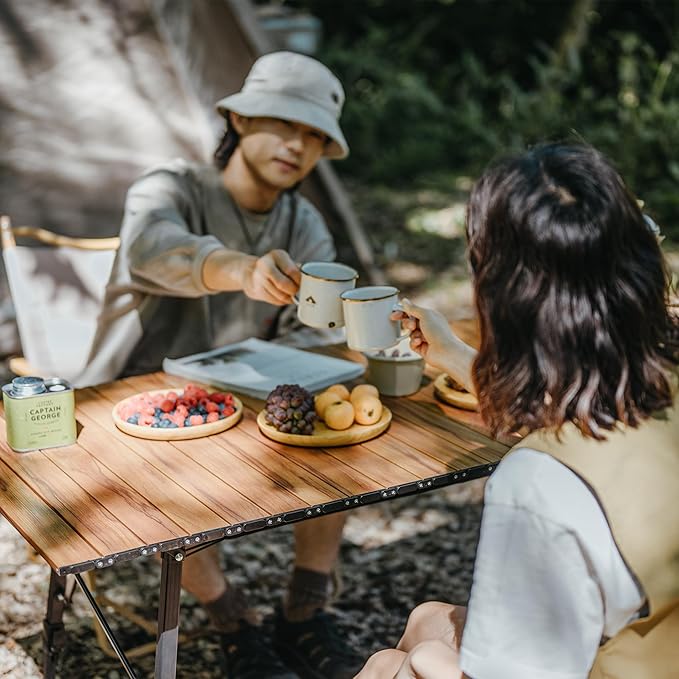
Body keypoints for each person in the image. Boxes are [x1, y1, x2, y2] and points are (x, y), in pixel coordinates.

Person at [81, 51, 363, 679]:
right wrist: (241, 270)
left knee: (338, 421)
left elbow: (314, 332)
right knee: (176, 467)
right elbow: (154, 250)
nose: (297, 145)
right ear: (238, 119)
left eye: (314, 135)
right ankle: (232, 620)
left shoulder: (303, 221)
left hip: (247, 398)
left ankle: (306, 607)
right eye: (283, 123)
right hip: (141, 402)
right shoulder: (170, 188)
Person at [356, 142, 679, 679]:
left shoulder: (538, 484)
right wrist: (454, 357)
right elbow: (584, 416)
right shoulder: (658, 380)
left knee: (396, 664)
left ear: (503, 300)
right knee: (425, 620)